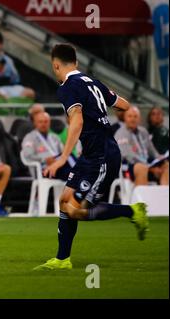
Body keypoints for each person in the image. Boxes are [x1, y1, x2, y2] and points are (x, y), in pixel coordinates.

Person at [34, 44, 149, 271]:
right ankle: (62, 259)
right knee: (64, 200)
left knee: (74, 209)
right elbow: (124, 105)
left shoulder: (67, 87)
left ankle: (132, 211)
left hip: (102, 157)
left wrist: (62, 158)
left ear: (56, 65)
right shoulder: (91, 82)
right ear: (75, 62)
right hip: (92, 154)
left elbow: (76, 121)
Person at [115, 106, 168, 186]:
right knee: (141, 168)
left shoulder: (143, 132)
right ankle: (140, 198)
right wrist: (151, 168)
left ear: (139, 119)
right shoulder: (120, 133)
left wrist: (160, 159)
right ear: (125, 118)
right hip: (127, 167)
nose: (132, 119)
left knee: (166, 165)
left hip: (147, 164)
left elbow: (152, 151)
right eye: (130, 116)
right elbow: (128, 156)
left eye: (135, 116)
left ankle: (164, 195)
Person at [0, 31, 35, 100]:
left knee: (30, 93)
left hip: (9, 86)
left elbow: (15, 78)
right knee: (0, 96)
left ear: (1, 45)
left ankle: (15, 104)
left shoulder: (8, 59)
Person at [21, 111, 74, 181]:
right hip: (43, 169)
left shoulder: (54, 137)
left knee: (69, 155)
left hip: (58, 165)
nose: (43, 124)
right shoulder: (30, 138)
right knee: (73, 173)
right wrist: (44, 160)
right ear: (35, 123)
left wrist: (58, 160)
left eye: (46, 121)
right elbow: (28, 155)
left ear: (49, 123)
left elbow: (63, 152)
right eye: (40, 122)